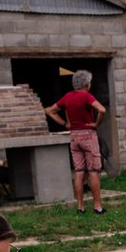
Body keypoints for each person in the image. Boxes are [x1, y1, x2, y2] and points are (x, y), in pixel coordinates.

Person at [44, 69, 107, 214]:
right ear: (86, 84)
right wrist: (96, 124)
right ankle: (97, 206)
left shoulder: (67, 97)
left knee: (79, 171)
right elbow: (102, 110)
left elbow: (50, 111)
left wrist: (65, 123)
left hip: (74, 136)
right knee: (93, 171)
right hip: (88, 135)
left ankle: (80, 206)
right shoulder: (86, 96)